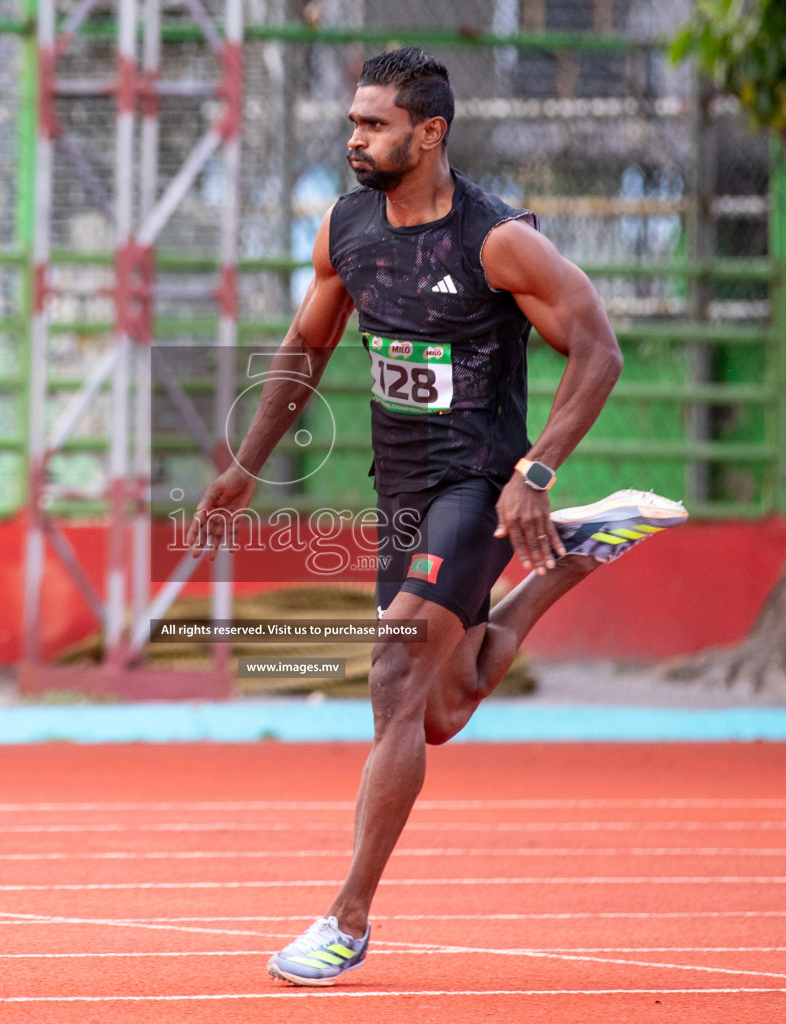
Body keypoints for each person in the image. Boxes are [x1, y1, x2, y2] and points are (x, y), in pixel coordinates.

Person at [186, 46, 687, 986]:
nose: (354, 140)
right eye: (351, 123)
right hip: (403, 490)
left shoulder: (495, 241)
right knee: (441, 707)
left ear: (430, 133)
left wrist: (534, 473)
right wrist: (245, 466)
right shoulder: (346, 230)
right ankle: (569, 561)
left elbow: (599, 350)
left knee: (394, 668)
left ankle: (347, 917)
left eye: (372, 125)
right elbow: (305, 348)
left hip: (481, 483)